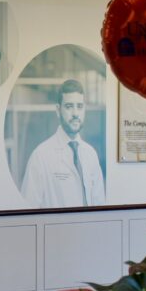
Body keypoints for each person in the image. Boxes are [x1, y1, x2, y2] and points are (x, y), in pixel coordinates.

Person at [20, 79, 105, 208]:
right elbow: (27, 210)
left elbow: (100, 206)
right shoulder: (40, 156)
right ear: (58, 110)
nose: (75, 113)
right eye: (69, 106)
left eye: (80, 106)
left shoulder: (90, 154)